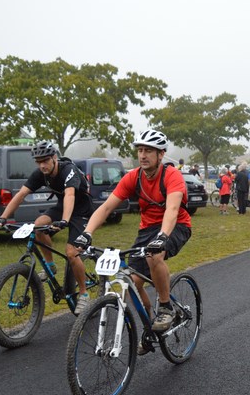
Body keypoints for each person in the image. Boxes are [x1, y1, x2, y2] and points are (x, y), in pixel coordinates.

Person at [74, 129, 191, 354]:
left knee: (154, 255)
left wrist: (163, 237)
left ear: (161, 154)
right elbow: (107, 207)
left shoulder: (171, 176)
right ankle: (151, 328)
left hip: (176, 225)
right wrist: (86, 233)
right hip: (147, 229)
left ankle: (166, 307)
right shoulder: (133, 177)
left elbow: (173, 209)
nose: (143, 155)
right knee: (132, 282)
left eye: (149, 151)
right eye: (140, 150)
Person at [0, 141, 93, 315]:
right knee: (38, 225)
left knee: (71, 252)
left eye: (45, 160)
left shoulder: (68, 170)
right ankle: (50, 266)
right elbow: (21, 194)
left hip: (81, 210)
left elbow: (70, 194)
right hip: (63, 206)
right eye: (38, 161)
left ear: (54, 158)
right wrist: (4, 217)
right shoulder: (40, 173)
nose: (42, 165)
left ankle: (84, 294)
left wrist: (64, 221)